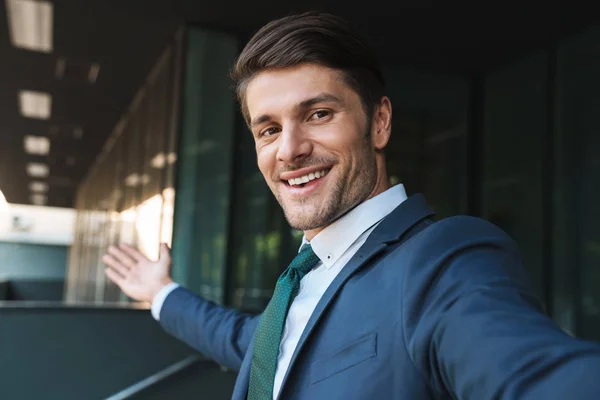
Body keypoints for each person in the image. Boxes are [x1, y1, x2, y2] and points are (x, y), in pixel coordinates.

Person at [102, 11, 600, 400]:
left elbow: (533, 375)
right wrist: (161, 291)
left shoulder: (443, 262)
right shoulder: (300, 286)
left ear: (378, 123)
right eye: (269, 129)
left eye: (318, 114)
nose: (290, 149)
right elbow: (243, 340)